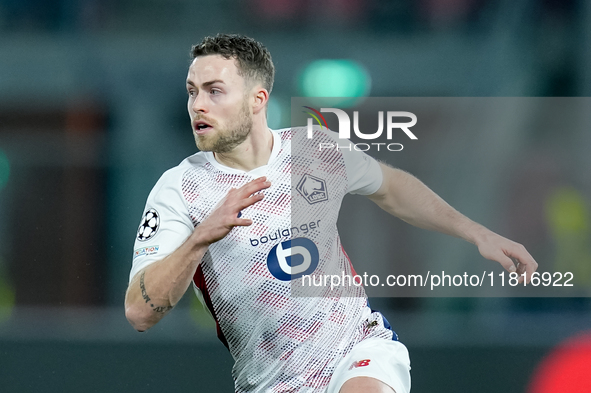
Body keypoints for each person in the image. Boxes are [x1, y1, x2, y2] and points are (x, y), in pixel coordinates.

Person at [124, 34, 538, 393]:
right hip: (267, 380)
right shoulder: (179, 188)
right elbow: (139, 313)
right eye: (192, 91)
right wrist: (199, 239)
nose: (198, 104)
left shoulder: (314, 148)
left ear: (257, 100)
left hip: (356, 349)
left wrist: (476, 233)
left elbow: (392, 188)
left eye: (214, 91)